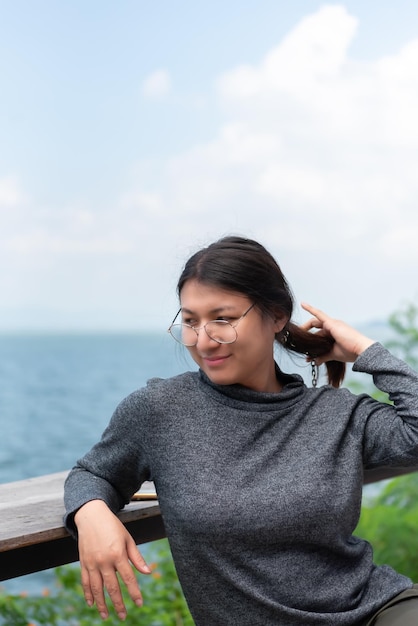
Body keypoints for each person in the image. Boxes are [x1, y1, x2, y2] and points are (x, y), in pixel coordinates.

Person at [64, 235, 418, 626]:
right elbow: (93, 473)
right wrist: (91, 511)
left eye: (224, 319)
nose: (203, 340)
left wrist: (366, 351)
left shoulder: (337, 413)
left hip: (375, 612)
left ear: (277, 316)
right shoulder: (160, 410)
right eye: (190, 321)